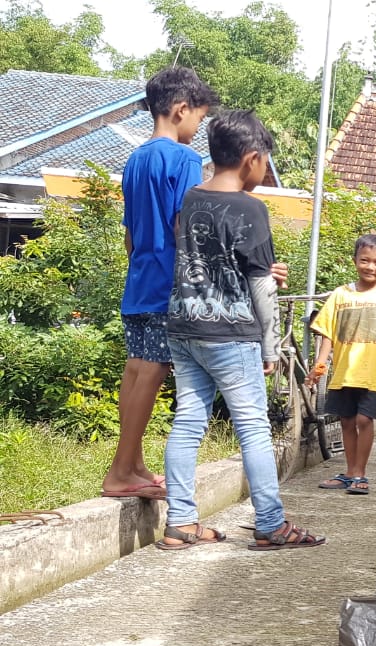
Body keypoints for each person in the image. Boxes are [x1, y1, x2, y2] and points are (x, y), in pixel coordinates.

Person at [159, 110, 323, 550]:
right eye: (265, 161)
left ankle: (180, 521)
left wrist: (265, 273)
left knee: (188, 421)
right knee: (252, 426)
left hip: (183, 326)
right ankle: (271, 523)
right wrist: (270, 347)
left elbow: (214, 264)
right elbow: (258, 286)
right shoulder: (251, 208)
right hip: (231, 333)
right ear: (252, 158)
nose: (264, 170)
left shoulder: (190, 199)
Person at [102, 68, 218, 500]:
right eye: (198, 119)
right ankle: (119, 472)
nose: (197, 129)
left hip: (140, 279)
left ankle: (131, 463)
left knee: (135, 369)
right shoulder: (184, 159)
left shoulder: (136, 159)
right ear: (181, 109)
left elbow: (131, 234)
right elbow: (183, 226)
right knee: (152, 371)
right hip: (170, 283)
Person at [306, 234, 376, 495]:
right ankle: (349, 472)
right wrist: (319, 365)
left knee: (365, 420)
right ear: (355, 261)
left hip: (374, 373)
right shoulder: (340, 295)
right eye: (365, 260)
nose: (370, 267)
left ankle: (360, 473)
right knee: (345, 421)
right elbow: (327, 333)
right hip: (344, 372)